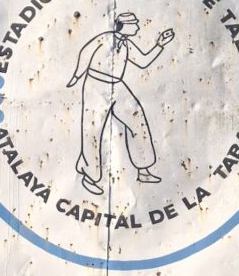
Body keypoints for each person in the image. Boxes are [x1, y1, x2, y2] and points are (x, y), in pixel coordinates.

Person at [67, 13, 175, 196]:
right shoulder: (104, 38)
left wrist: (160, 45)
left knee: (137, 120)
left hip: (118, 85)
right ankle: (89, 175)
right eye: (134, 25)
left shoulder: (126, 44)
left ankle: (143, 168)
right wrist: (77, 76)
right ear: (122, 26)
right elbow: (85, 54)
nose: (138, 28)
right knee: (93, 129)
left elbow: (142, 61)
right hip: (96, 83)